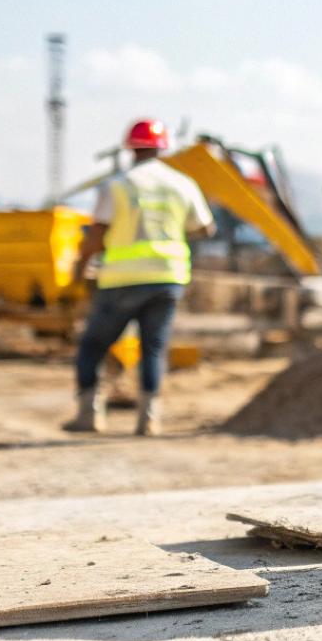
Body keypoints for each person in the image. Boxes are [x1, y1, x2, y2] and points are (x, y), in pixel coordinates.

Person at [64, 119, 214, 436]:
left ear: (130, 148)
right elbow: (204, 228)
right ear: (162, 148)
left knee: (94, 345)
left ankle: (89, 414)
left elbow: (97, 234)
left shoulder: (118, 185)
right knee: (154, 348)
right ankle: (149, 418)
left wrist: (80, 267)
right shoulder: (182, 183)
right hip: (168, 277)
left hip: (121, 279)